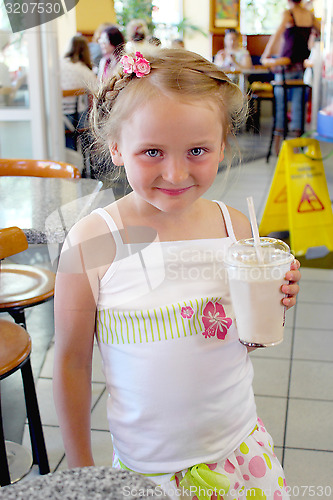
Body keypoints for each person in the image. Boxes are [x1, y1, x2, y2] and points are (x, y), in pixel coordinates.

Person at [53, 48, 301, 499]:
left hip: (240, 448)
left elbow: (245, 340)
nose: (176, 171)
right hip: (150, 470)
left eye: (197, 150)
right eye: (152, 151)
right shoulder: (92, 243)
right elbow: (71, 363)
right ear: (115, 147)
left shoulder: (236, 228)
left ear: (223, 146)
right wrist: (81, 473)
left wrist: (272, 301)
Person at [261, 0, 320, 146]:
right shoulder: (310, 16)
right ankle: (297, 146)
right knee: (298, 107)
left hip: (285, 65)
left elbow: (277, 35)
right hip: (301, 67)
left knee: (281, 106)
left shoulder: (289, 14)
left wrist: (265, 56)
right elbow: (321, 32)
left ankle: (278, 146)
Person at [60, 35, 96, 150]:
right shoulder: (84, 71)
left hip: (57, 117)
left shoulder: (58, 66)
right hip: (77, 120)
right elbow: (97, 91)